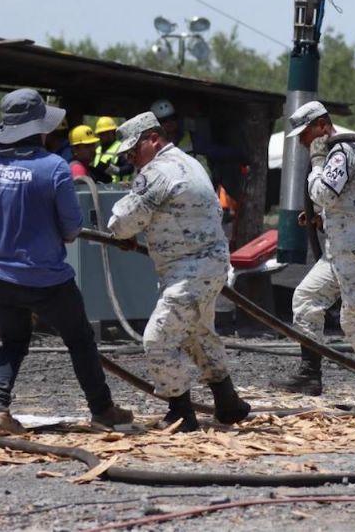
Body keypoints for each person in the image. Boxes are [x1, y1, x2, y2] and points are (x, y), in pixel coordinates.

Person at [0, 88, 132, 434]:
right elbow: (71, 229)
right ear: (37, 128)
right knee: (80, 339)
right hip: (46, 278)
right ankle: (102, 410)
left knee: (13, 342)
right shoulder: (53, 167)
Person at [107, 112, 250, 432]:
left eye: (134, 151)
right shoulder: (189, 163)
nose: (132, 160)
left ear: (154, 139)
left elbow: (124, 221)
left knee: (157, 339)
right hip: (209, 266)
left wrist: (120, 232)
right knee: (199, 334)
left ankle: (180, 413)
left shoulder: (157, 171)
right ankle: (228, 403)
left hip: (189, 271)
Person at [271, 101, 355, 410]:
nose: (303, 142)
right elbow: (341, 200)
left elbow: (324, 193)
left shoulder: (341, 152)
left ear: (322, 125)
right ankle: (310, 374)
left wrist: (317, 163)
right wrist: (321, 219)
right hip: (341, 251)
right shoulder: (336, 153)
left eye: (305, 135)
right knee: (305, 299)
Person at [93, 116, 134, 183]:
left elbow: (130, 168)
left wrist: (114, 170)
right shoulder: (98, 150)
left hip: (117, 190)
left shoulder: (121, 148)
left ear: (113, 133)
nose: (102, 136)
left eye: (105, 133)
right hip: (100, 188)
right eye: (100, 134)